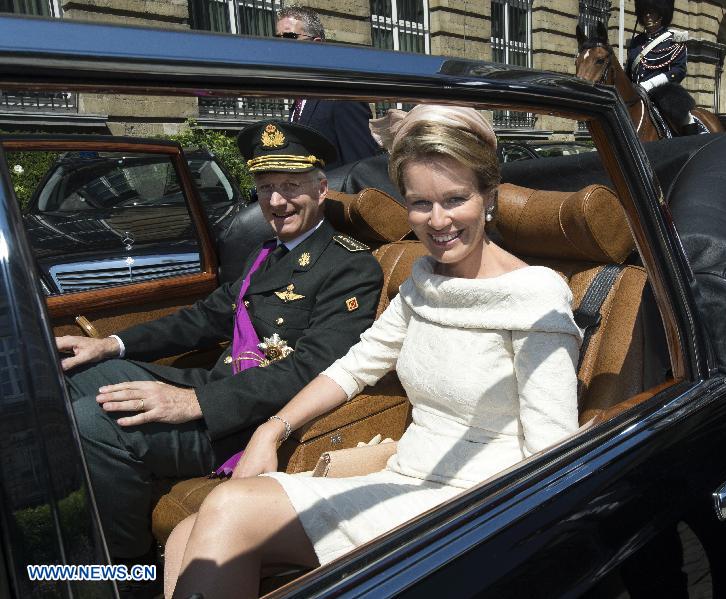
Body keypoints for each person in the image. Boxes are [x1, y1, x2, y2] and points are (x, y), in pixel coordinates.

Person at [164, 105, 583, 599]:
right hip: (404, 477)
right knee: (184, 534)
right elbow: (354, 368)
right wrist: (269, 430)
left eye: (455, 199)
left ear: (488, 196)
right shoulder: (424, 280)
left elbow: (552, 452)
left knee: (230, 509)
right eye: (420, 203)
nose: (439, 220)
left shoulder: (534, 295)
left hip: (474, 506)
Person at [59, 120, 383, 595]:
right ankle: (101, 497)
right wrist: (110, 344)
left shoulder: (350, 265)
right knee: (83, 371)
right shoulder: (267, 254)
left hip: (243, 421)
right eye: (266, 187)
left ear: (321, 187)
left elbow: (311, 368)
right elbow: (204, 317)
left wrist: (194, 405)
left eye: (291, 185)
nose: (276, 202)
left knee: (93, 420)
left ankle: (126, 568)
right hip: (220, 389)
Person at [275, 6, 380, 169]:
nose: (280, 46)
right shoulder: (300, 98)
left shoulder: (341, 95)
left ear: (316, 44)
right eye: (277, 39)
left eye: (290, 37)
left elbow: (363, 168)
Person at [626, 0, 699, 136]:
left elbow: (679, 71)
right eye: (644, 12)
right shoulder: (636, 42)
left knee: (685, 117)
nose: (647, 16)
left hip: (664, 91)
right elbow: (629, 72)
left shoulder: (674, 39)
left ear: (661, 14)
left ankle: (693, 147)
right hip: (636, 92)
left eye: (652, 12)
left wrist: (650, 84)